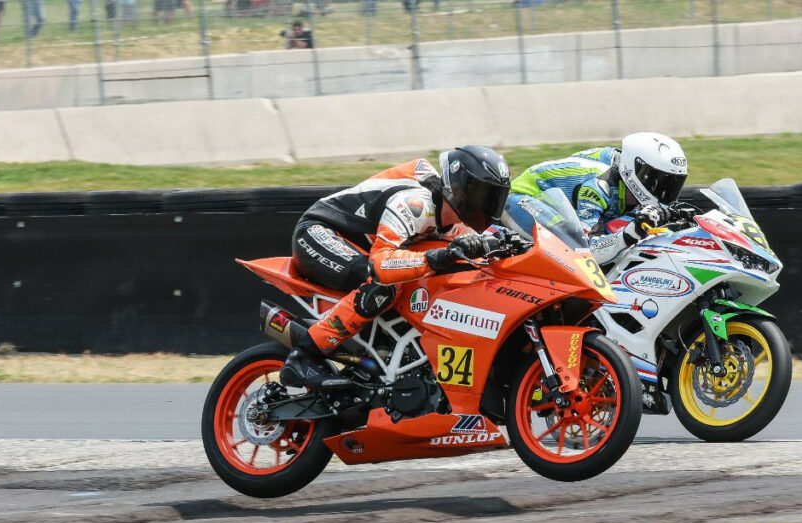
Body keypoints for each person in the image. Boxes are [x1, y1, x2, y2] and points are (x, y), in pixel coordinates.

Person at [279, 145, 512, 388]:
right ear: (461, 187)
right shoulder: (415, 204)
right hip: (320, 232)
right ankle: (303, 356)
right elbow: (381, 263)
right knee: (388, 283)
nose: (488, 204)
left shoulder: (459, 225)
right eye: (484, 195)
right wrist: (435, 257)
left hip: (363, 247)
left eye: (495, 198)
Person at [502, 132, 692, 265]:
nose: (664, 194)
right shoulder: (598, 187)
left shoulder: (623, 170)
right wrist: (631, 233)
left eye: (672, 186)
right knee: (568, 249)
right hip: (523, 197)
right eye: (659, 183)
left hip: (559, 203)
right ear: (637, 170)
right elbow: (586, 252)